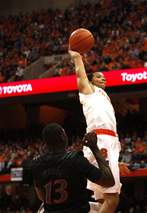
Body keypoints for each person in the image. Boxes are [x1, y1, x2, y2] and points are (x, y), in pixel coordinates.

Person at [69, 46, 122, 213]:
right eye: (99, 76)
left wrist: (114, 160)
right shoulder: (88, 91)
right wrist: (77, 58)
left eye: (104, 77)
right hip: (100, 141)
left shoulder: (104, 96)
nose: (103, 78)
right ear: (89, 82)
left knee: (102, 203)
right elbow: (80, 75)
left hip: (110, 143)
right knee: (112, 200)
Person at [31, 123, 115, 213]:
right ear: (63, 137)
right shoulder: (75, 159)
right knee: (110, 203)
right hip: (77, 210)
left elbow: (41, 196)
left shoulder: (37, 163)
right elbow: (109, 181)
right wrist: (94, 147)